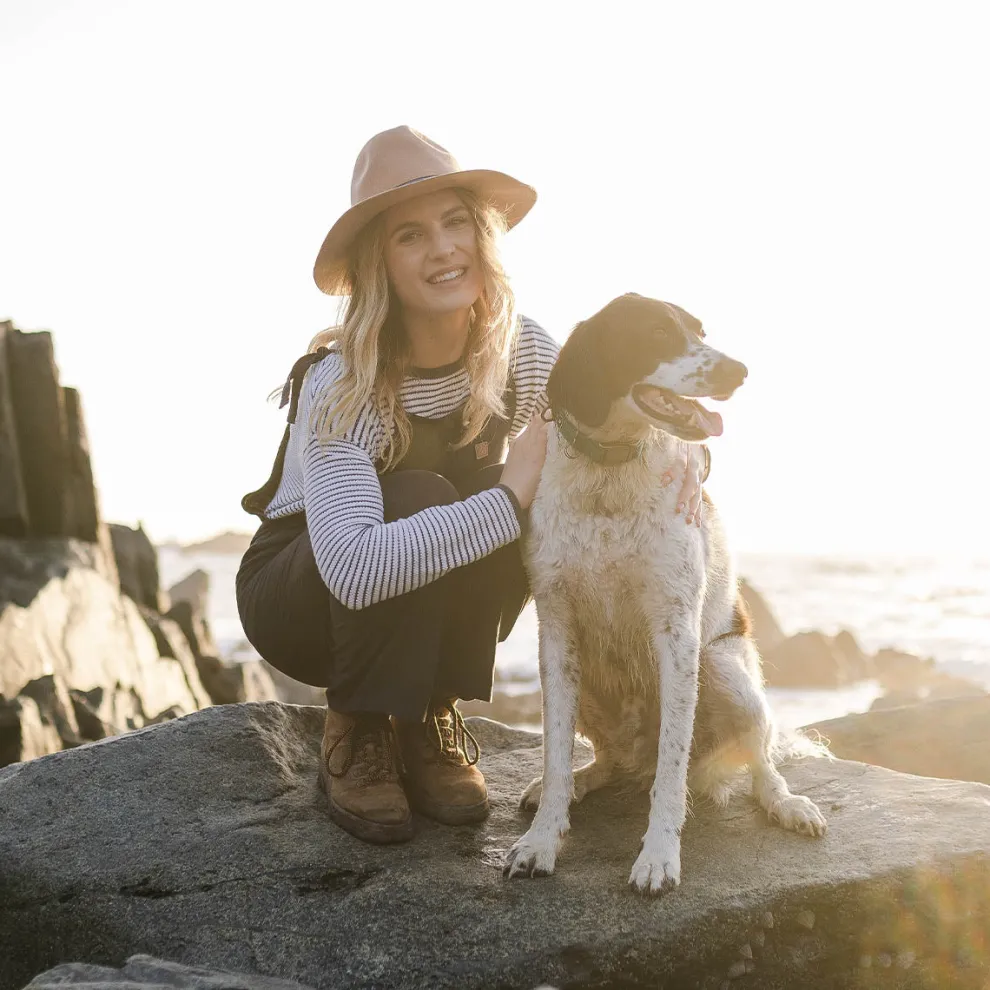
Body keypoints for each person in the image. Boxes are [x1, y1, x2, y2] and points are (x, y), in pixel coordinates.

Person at [235, 125, 706, 845]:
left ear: (483, 239)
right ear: (378, 265)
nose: (444, 248)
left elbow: (607, 405)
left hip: (410, 600)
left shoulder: (518, 349)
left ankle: (429, 713)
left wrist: (688, 456)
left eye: (456, 223)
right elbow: (355, 570)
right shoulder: (343, 384)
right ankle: (358, 724)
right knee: (432, 491)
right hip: (306, 599)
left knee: (521, 497)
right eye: (411, 236)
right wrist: (509, 494)